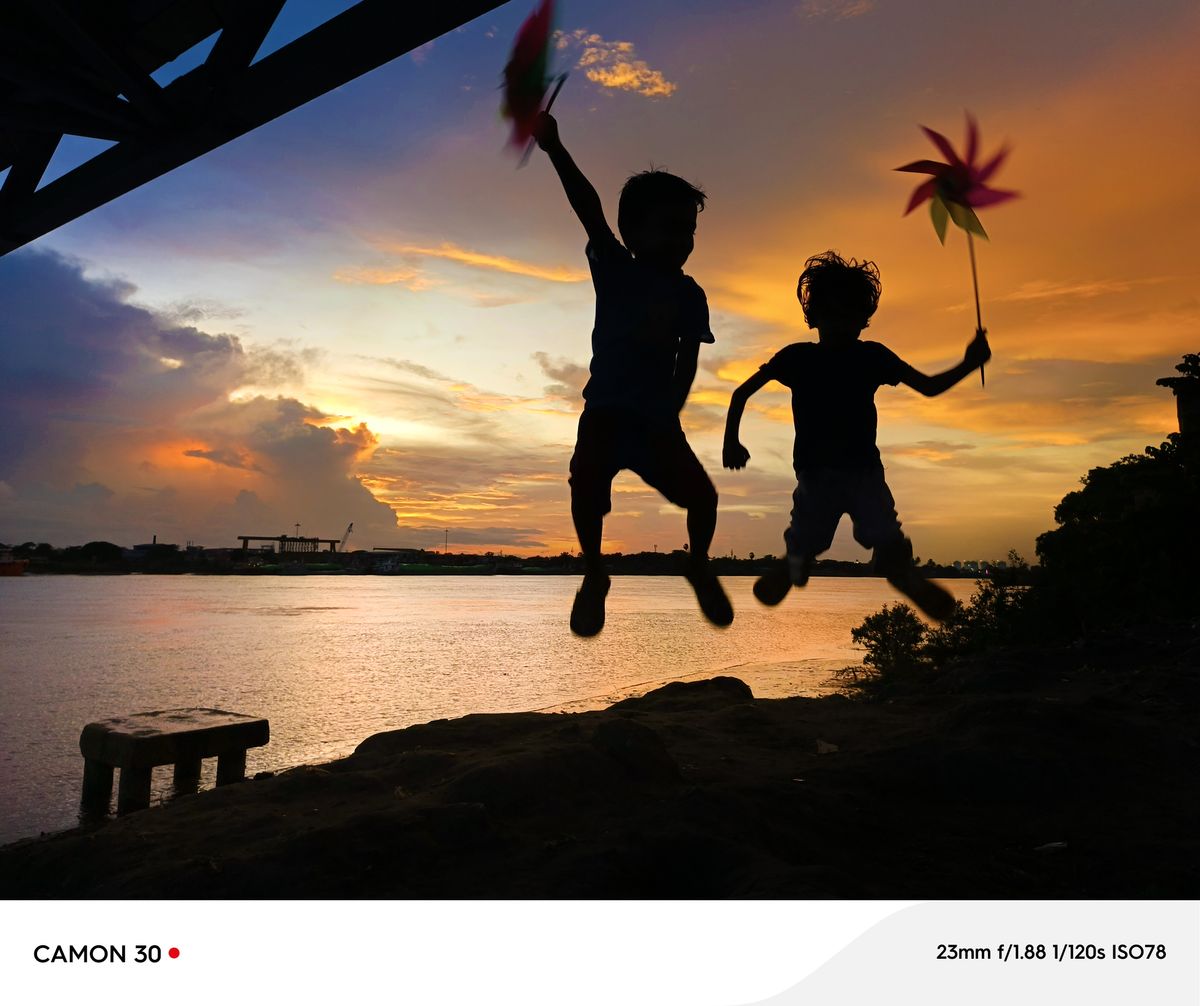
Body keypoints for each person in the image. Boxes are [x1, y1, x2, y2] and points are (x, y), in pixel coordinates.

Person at [532, 110, 732, 636]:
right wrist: (554, 147)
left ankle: (698, 562)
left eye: (689, 231)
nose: (683, 241)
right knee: (586, 490)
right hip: (603, 415)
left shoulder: (690, 294)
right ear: (634, 231)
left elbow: (688, 358)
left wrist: (672, 408)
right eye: (671, 229)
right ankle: (595, 571)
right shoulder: (616, 267)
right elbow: (586, 205)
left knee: (704, 498)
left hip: (655, 422)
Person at [722, 250, 990, 620]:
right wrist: (730, 441)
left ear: (863, 319)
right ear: (814, 316)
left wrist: (968, 363)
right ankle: (796, 563)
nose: (840, 324)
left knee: (881, 532)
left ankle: (896, 570)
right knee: (810, 532)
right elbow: (740, 393)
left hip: (862, 471)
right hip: (818, 473)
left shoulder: (869, 357)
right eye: (832, 314)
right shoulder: (798, 358)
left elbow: (928, 387)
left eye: (848, 316)